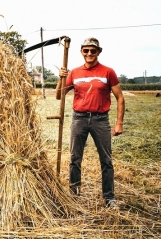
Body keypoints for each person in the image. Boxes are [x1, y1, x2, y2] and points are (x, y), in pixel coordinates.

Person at [56, 37, 125, 208]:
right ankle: (74, 194)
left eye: (93, 51)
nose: (89, 54)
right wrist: (61, 78)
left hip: (100, 120)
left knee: (106, 160)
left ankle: (109, 198)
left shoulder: (108, 72)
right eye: (86, 50)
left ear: (99, 52)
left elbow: (120, 98)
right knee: (74, 158)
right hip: (78, 118)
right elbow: (59, 95)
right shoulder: (74, 72)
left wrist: (119, 123)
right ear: (81, 52)